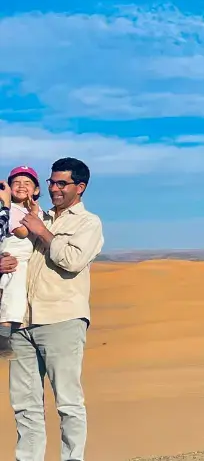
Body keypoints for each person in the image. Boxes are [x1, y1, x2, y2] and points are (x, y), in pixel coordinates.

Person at [9, 157, 104, 461]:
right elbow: (16, 253)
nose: (54, 189)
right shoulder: (39, 216)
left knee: (68, 402)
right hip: (22, 322)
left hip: (61, 319)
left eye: (62, 183)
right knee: (25, 404)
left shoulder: (88, 223)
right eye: (51, 182)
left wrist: (41, 231)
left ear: (80, 187)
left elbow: (72, 261)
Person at [0, 167, 44, 358]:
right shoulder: (9, 209)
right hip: (14, 258)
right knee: (11, 296)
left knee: (19, 298)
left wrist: (34, 213)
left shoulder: (35, 210)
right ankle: (3, 337)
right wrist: (32, 219)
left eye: (27, 183)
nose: (21, 186)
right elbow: (22, 232)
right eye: (16, 183)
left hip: (26, 261)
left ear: (36, 190)